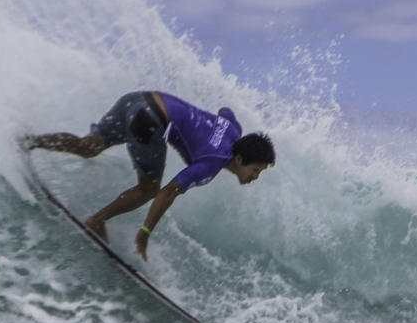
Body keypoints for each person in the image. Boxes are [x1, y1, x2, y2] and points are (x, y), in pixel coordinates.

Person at [21, 91, 275, 261]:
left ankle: (29, 141)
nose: (255, 176)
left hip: (138, 99)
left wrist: (200, 127)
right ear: (239, 160)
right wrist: (145, 231)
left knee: (89, 147)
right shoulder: (212, 163)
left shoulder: (234, 129)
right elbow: (168, 192)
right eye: (255, 170)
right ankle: (97, 220)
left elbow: (225, 111)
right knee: (149, 189)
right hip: (150, 121)